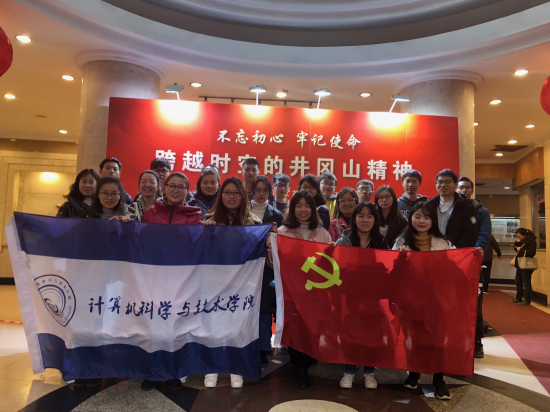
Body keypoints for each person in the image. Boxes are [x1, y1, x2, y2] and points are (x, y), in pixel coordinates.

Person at [139, 173, 202, 391]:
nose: (176, 190)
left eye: (181, 187)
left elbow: (197, 245)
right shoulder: (151, 213)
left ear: (187, 191)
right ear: (164, 187)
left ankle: (175, 370)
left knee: (177, 325)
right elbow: (142, 243)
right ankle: (152, 371)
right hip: (154, 277)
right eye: (172, 186)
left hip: (181, 279)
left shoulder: (195, 215)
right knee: (153, 325)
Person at [202, 177, 262, 389]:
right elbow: (199, 251)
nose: (231, 196)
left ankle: (236, 366)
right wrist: (205, 233)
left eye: (236, 193)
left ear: (243, 196)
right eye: (227, 192)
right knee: (214, 325)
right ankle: (212, 366)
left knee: (238, 326)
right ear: (221, 195)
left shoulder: (253, 223)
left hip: (242, 283)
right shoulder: (208, 219)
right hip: (214, 281)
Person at [393, 202, 455, 400]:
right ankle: (414, 372)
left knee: (437, 341)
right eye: (417, 216)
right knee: (413, 338)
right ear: (410, 218)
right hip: (411, 301)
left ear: (433, 220)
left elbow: (456, 266)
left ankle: (439, 379)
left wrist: (474, 256)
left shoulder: (443, 243)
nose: (422, 221)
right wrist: (400, 260)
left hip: (436, 301)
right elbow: (392, 272)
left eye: (427, 217)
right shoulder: (401, 242)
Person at [277, 191, 331, 389]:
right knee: (293, 329)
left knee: (311, 330)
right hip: (291, 291)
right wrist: (270, 247)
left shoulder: (322, 233)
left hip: (315, 292)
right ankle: (297, 364)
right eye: (298, 205)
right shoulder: (283, 231)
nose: (303, 209)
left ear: (313, 209)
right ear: (292, 208)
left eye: (307, 205)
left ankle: (302, 368)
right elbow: (275, 263)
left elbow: (329, 263)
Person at [335, 202, 388, 390]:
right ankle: (349, 372)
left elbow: (387, 269)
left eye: (370, 216)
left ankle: (369, 373)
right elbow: (335, 267)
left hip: (373, 298)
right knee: (351, 335)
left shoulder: (381, 242)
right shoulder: (344, 241)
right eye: (361, 216)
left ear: (375, 219)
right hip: (350, 297)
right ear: (354, 218)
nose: (365, 220)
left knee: (372, 335)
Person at [249, 176, 284, 367]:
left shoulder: (276, 215)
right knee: (246, 307)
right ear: (252, 191)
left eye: (265, 190)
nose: (261, 194)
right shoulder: (243, 212)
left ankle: (263, 348)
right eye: (258, 190)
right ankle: (246, 344)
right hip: (246, 268)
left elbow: (284, 243)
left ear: (270, 192)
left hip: (267, 269)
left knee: (264, 308)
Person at [456, 176, 491, 358]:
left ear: (472, 190)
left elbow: (484, 236)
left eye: (467, 188)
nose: (464, 191)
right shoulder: (451, 208)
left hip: (472, 264)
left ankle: (477, 342)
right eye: (461, 187)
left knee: (474, 305)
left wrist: (473, 256)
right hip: (452, 264)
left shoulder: (481, 212)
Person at [426, 169, 478, 248]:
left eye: (448, 182)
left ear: (456, 185)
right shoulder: (429, 206)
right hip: (431, 251)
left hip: (457, 252)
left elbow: (470, 235)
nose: (443, 185)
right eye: (440, 182)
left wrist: (455, 252)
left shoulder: (466, 207)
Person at [510, 228, 537, 306]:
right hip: (520, 264)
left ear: (524, 235)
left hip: (526, 265)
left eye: (519, 236)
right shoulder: (522, 241)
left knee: (526, 282)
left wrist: (521, 250)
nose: (519, 238)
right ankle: (518, 297)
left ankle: (527, 299)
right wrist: (517, 244)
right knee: (518, 281)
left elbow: (532, 252)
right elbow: (517, 250)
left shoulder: (531, 242)